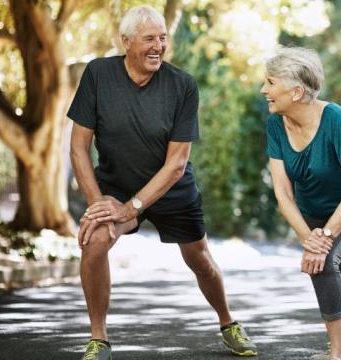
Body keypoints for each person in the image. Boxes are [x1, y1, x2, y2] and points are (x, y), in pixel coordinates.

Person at [68, 5, 257, 360]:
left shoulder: (182, 85)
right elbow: (78, 147)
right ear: (125, 42)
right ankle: (99, 339)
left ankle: (228, 322)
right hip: (117, 186)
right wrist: (98, 207)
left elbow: (176, 164)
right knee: (94, 242)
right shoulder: (98, 74)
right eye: (149, 38)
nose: (158, 46)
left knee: (200, 260)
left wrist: (131, 209)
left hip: (171, 189)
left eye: (163, 38)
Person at [261, 47, 341, 360]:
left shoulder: (335, 119)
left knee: (324, 261)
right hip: (315, 213)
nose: (264, 90)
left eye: (270, 82)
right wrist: (309, 237)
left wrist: (323, 239)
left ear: (296, 91)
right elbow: (283, 193)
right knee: (334, 261)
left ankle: (338, 354)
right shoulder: (276, 125)